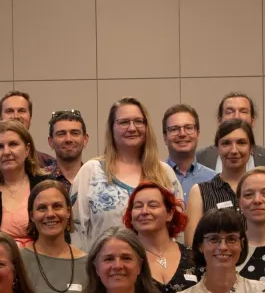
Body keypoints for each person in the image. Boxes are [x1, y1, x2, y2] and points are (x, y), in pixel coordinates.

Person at [71, 99, 183, 246]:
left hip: (158, 267)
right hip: (104, 266)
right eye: (124, 122)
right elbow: (75, 231)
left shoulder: (165, 173)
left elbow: (178, 230)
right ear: (111, 128)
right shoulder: (91, 172)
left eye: (138, 121)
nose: (132, 128)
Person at [21, 180, 87, 293]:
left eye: (57, 206)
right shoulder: (18, 261)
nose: (50, 214)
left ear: (68, 212)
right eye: (42, 208)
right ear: (32, 216)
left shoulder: (87, 264)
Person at [183, 118, 256, 242]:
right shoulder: (200, 192)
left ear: (251, 148)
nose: (234, 150)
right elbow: (192, 248)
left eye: (241, 142)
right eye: (226, 143)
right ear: (217, 148)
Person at [122, 182, 197, 293]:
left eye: (153, 205)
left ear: (169, 214)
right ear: (131, 216)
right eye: (138, 206)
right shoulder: (122, 260)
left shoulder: (195, 257)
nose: (144, 211)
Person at [0, 119, 48, 246]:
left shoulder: (45, 185)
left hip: (40, 261)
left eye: (13, 144)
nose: (6, 152)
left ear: (27, 149)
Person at [196, 93, 265, 169]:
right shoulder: (200, 158)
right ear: (219, 121)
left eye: (243, 111)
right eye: (229, 112)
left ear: (252, 121)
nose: (237, 116)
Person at [162, 104, 217, 201]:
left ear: (198, 134)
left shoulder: (214, 179)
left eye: (188, 128)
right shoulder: (154, 177)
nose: (182, 134)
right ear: (165, 138)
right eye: (174, 129)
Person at [0, 90, 59, 175]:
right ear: (1, 118)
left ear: (30, 118)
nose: (16, 116)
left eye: (21, 111)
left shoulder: (48, 165)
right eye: (9, 111)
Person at [47, 109, 89, 182]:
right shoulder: (39, 179)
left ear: (85, 139)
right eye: (61, 134)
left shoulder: (96, 178)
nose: (68, 139)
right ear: (51, 142)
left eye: (75, 133)